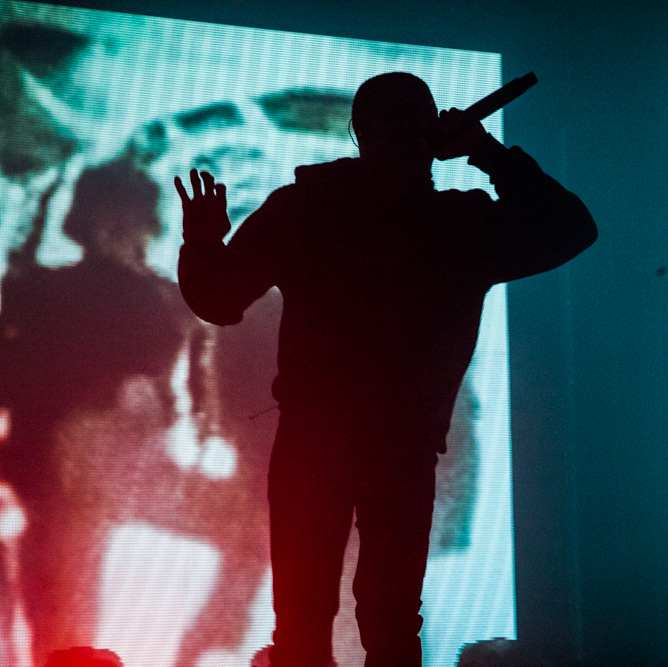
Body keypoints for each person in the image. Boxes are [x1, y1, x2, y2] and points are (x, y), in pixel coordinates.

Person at [174, 71, 597, 667]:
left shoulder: (302, 209)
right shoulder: (458, 226)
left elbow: (218, 300)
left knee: (300, 622)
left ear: (358, 133)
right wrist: (484, 152)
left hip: (310, 447)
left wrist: (201, 242)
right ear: (431, 132)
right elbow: (572, 228)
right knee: (392, 624)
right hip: (402, 449)